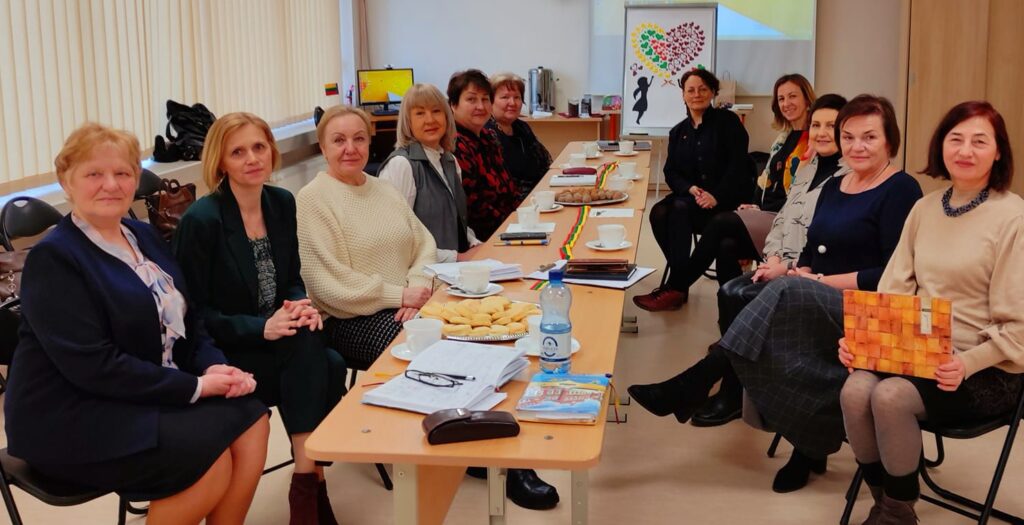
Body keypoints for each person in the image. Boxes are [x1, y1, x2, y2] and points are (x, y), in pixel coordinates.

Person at [630, 95, 923, 493]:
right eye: (849, 136)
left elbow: (892, 274)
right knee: (773, 304)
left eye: (870, 137)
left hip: (869, 308)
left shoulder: (901, 189)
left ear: (891, 140)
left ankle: (704, 379)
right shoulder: (837, 184)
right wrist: (795, 268)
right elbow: (810, 246)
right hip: (817, 295)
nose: (857, 146)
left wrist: (815, 281)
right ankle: (807, 441)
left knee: (784, 293)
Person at [3, 123, 269, 524]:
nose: (111, 184)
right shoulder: (54, 258)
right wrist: (196, 386)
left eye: (123, 173)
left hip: (138, 393)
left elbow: (190, 320)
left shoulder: (143, 235)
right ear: (66, 181)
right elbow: (94, 367)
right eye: (94, 174)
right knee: (206, 457)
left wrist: (212, 364)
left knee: (254, 418)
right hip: (70, 413)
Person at [839, 101, 1024, 523]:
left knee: (889, 396)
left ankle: (898, 511)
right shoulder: (925, 208)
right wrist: (860, 341)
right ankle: (887, 499)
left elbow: (1019, 328)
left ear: (998, 152)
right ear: (941, 145)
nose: (965, 150)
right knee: (853, 390)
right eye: (955, 139)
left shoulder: (1013, 217)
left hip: (985, 367)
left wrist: (966, 362)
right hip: (917, 349)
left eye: (980, 141)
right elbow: (893, 290)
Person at [173, 112, 347, 524]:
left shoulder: (282, 202)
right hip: (226, 352)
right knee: (327, 362)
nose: (252, 158)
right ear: (221, 162)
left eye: (258, 147)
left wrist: (298, 304)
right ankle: (310, 489)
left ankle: (305, 484)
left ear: (272, 150)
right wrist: (260, 327)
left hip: (280, 341)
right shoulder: (202, 221)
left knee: (313, 343)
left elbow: (290, 280)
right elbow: (192, 317)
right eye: (238, 152)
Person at [693, 94, 851, 426]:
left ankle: (732, 393)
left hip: (811, 278)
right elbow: (781, 221)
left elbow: (821, 242)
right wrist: (773, 256)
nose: (822, 133)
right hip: (782, 262)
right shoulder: (807, 169)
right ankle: (736, 388)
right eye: (817, 125)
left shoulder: (846, 178)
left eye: (832, 126)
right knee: (729, 291)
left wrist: (786, 267)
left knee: (743, 295)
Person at [296, 105, 436, 370]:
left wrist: (417, 290)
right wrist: (400, 296)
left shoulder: (385, 189)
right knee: (427, 353)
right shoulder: (313, 198)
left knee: (464, 331)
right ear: (323, 148)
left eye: (359, 138)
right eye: (339, 140)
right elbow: (329, 284)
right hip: (347, 319)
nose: (351, 148)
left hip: (407, 303)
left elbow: (424, 245)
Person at [632, 68, 755, 311]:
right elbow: (671, 172)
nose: (696, 94)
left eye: (702, 89)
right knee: (658, 213)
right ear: (683, 95)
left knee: (676, 209)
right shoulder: (678, 132)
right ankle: (680, 279)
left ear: (712, 93)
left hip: (725, 203)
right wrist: (689, 188)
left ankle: (677, 286)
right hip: (692, 201)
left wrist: (716, 195)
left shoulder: (728, 123)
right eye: (690, 90)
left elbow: (739, 168)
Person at [378, 83, 482, 263]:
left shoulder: (450, 160)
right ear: (408, 121)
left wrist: (475, 244)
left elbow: (455, 222)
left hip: (454, 270)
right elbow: (397, 242)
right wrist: (456, 257)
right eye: (420, 113)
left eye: (436, 111)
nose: (430, 120)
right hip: (422, 277)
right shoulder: (401, 165)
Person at [448, 69, 521, 241]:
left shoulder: (488, 136)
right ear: (453, 104)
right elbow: (474, 206)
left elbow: (509, 187)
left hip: (510, 226)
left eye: (485, 99)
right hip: (484, 239)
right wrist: (513, 225)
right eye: (471, 99)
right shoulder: (455, 144)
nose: (480, 106)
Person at [486, 72, 553, 199]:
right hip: (512, 204)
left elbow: (545, 163)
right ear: (490, 101)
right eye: (505, 97)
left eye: (517, 97)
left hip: (539, 196)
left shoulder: (522, 127)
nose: (512, 103)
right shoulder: (487, 133)